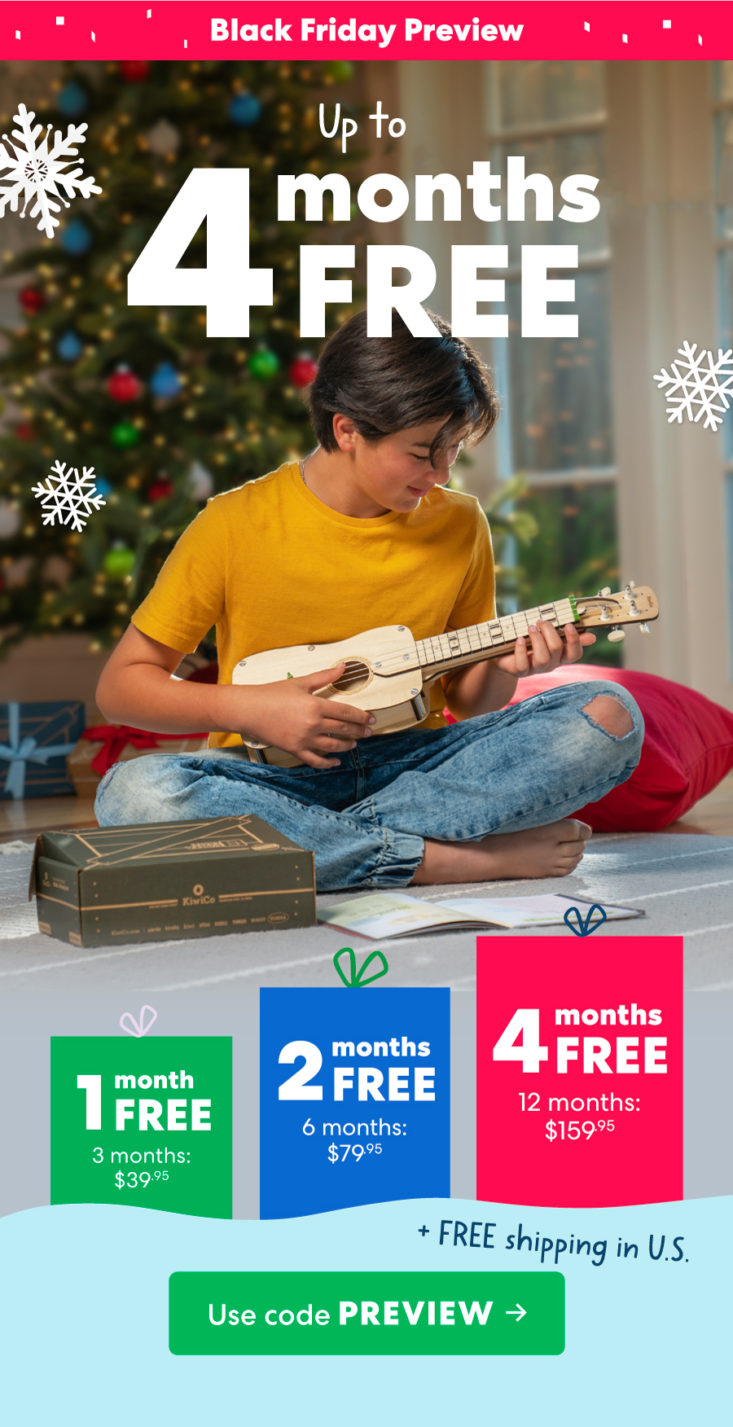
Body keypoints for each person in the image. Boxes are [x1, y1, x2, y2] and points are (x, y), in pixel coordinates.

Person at [95, 310, 643, 890]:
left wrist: (503, 664)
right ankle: (441, 860)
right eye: (421, 452)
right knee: (135, 794)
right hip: (270, 778)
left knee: (609, 715)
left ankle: (316, 851)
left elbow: (471, 702)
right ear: (347, 430)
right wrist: (251, 709)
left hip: (417, 769)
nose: (440, 472)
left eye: (453, 448)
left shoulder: (460, 523)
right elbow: (121, 689)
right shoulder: (233, 524)